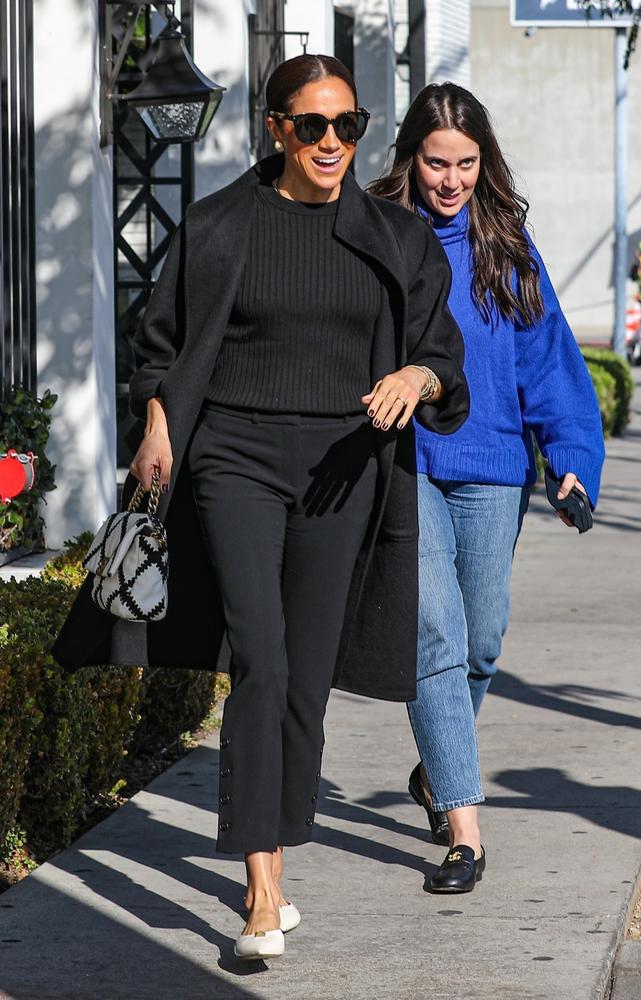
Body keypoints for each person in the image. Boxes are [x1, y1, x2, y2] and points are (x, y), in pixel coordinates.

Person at [53, 57, 469, 956]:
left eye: (347, 126)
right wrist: (160, 420)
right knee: (263, 661)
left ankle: (274, 859)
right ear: (276, 127)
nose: (332, 143)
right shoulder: (219, 225)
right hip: (234, 460)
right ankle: (260, 886)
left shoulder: (398, 238)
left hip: (343, 470)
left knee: (306, 679)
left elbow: (444, 357)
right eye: (312, 126)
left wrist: (415, 373)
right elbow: (158, 345)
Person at [369, 82, 605, 893]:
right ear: (411, 159)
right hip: (404, 466)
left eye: (467, 163)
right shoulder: (374, 232)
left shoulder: (506, 242)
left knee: (481, 640)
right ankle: (464, 831)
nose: (452, 180)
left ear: (484, 162)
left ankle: (438, 769)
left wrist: (570, 454)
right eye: (437, 162)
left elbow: (549, 363)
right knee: (433, 634)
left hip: (494, 464)